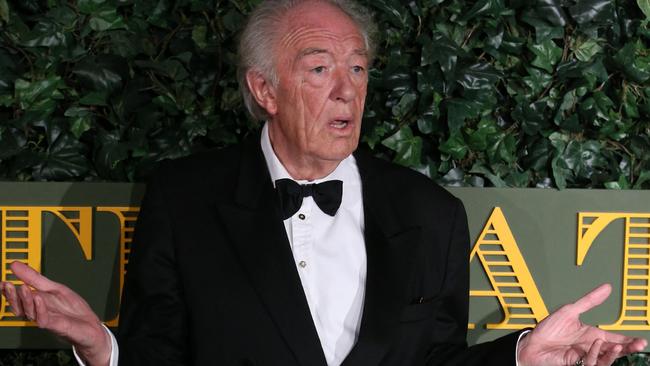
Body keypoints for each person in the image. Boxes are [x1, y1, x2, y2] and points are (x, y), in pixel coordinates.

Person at [1, 1, 647, 365]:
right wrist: (99, 346)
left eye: (359, 69)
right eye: (319, 69)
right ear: (264, 89)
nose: (348, 91)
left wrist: (519, 358)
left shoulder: (431, 213)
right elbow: (159, 357)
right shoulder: (184, 200)